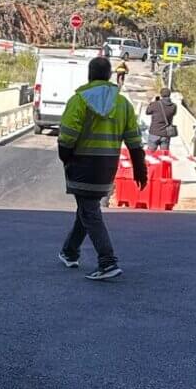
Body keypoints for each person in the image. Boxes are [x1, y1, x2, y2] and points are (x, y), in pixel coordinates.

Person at [57, 53, 146, 281]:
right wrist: (140, 169)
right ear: (109, 76)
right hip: (107, 166)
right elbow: (134, 141)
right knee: (88, 208)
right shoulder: (123, 103)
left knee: (89, 211)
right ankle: (69, 251)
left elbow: (67, 136)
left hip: (82, 164)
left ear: (90, 75)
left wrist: (65, 158)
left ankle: (107, 261)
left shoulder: (78, 101)